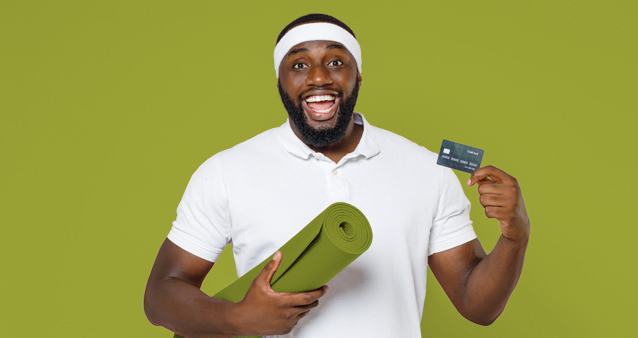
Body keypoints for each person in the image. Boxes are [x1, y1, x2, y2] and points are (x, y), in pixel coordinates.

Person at [143, 13, 531, 338]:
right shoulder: (227, 172)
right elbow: (161, 296)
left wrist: (515, 236)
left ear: (358, 77)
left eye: (335, 62)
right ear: (279, 83)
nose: (318, 77)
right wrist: (239, 318)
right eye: (298, 65)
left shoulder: (426, 170)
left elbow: (477, 304)